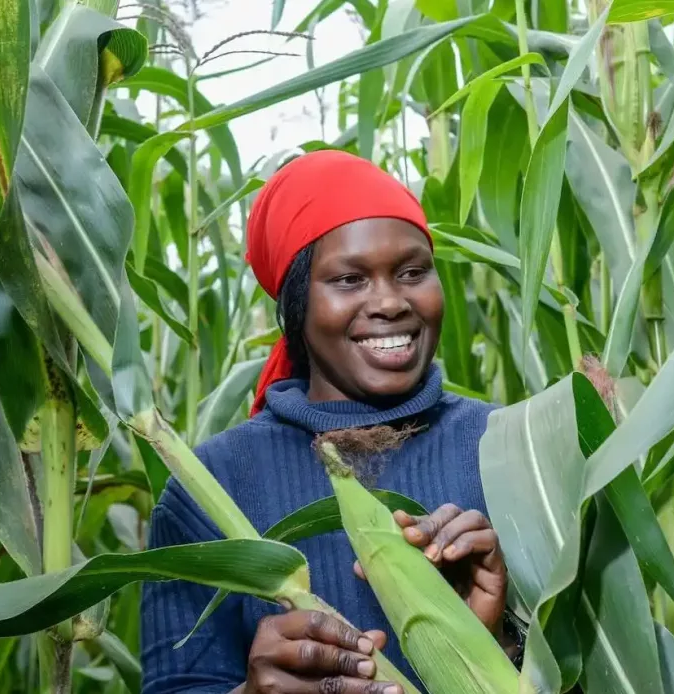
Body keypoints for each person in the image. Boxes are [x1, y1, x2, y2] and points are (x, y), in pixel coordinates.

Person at [140, 150, 520, 693]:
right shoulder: (210, 487)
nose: (391, 302)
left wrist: (503, 641)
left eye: (413, 271)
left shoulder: (513, 447)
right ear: (297, 305)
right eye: (349, 279)